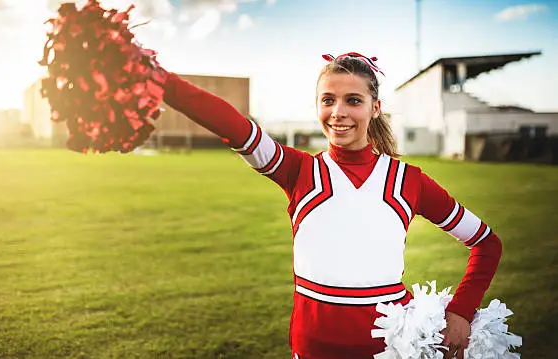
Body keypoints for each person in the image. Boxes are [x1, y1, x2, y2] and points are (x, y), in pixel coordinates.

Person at [157, 52, 502, 359]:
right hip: (313, 347)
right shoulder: (298, 170)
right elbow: (231, 125)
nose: (338, 113)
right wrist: (159, 79)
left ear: (375, 107)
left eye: (353, 100)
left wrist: (461, 311)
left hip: (389, 349)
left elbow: (486, 243)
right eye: (328, 100)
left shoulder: (407, 181)